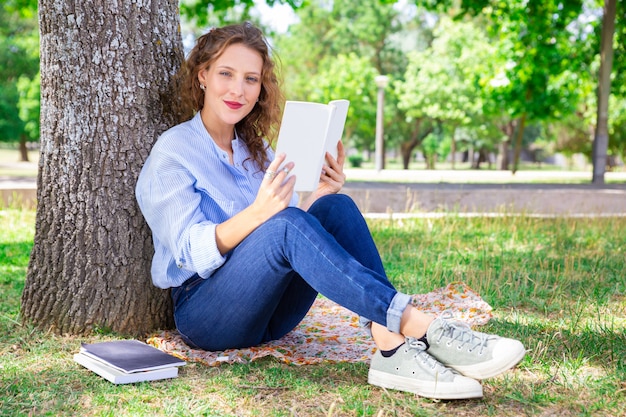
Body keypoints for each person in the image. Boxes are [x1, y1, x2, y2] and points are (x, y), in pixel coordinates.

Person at [135, 22, 525, 400]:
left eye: (251, 79)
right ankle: (418, 327)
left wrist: (318, 195)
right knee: (286, 223)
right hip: (209, 314)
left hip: (272, 316)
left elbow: (289, 238)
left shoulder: (256, 151)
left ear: (261, 87)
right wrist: (258, 213)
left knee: (333, 206)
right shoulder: (174, 152)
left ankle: (391, 347)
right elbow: (189, 249)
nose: (238, 89)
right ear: (202, 75)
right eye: (226, 73)